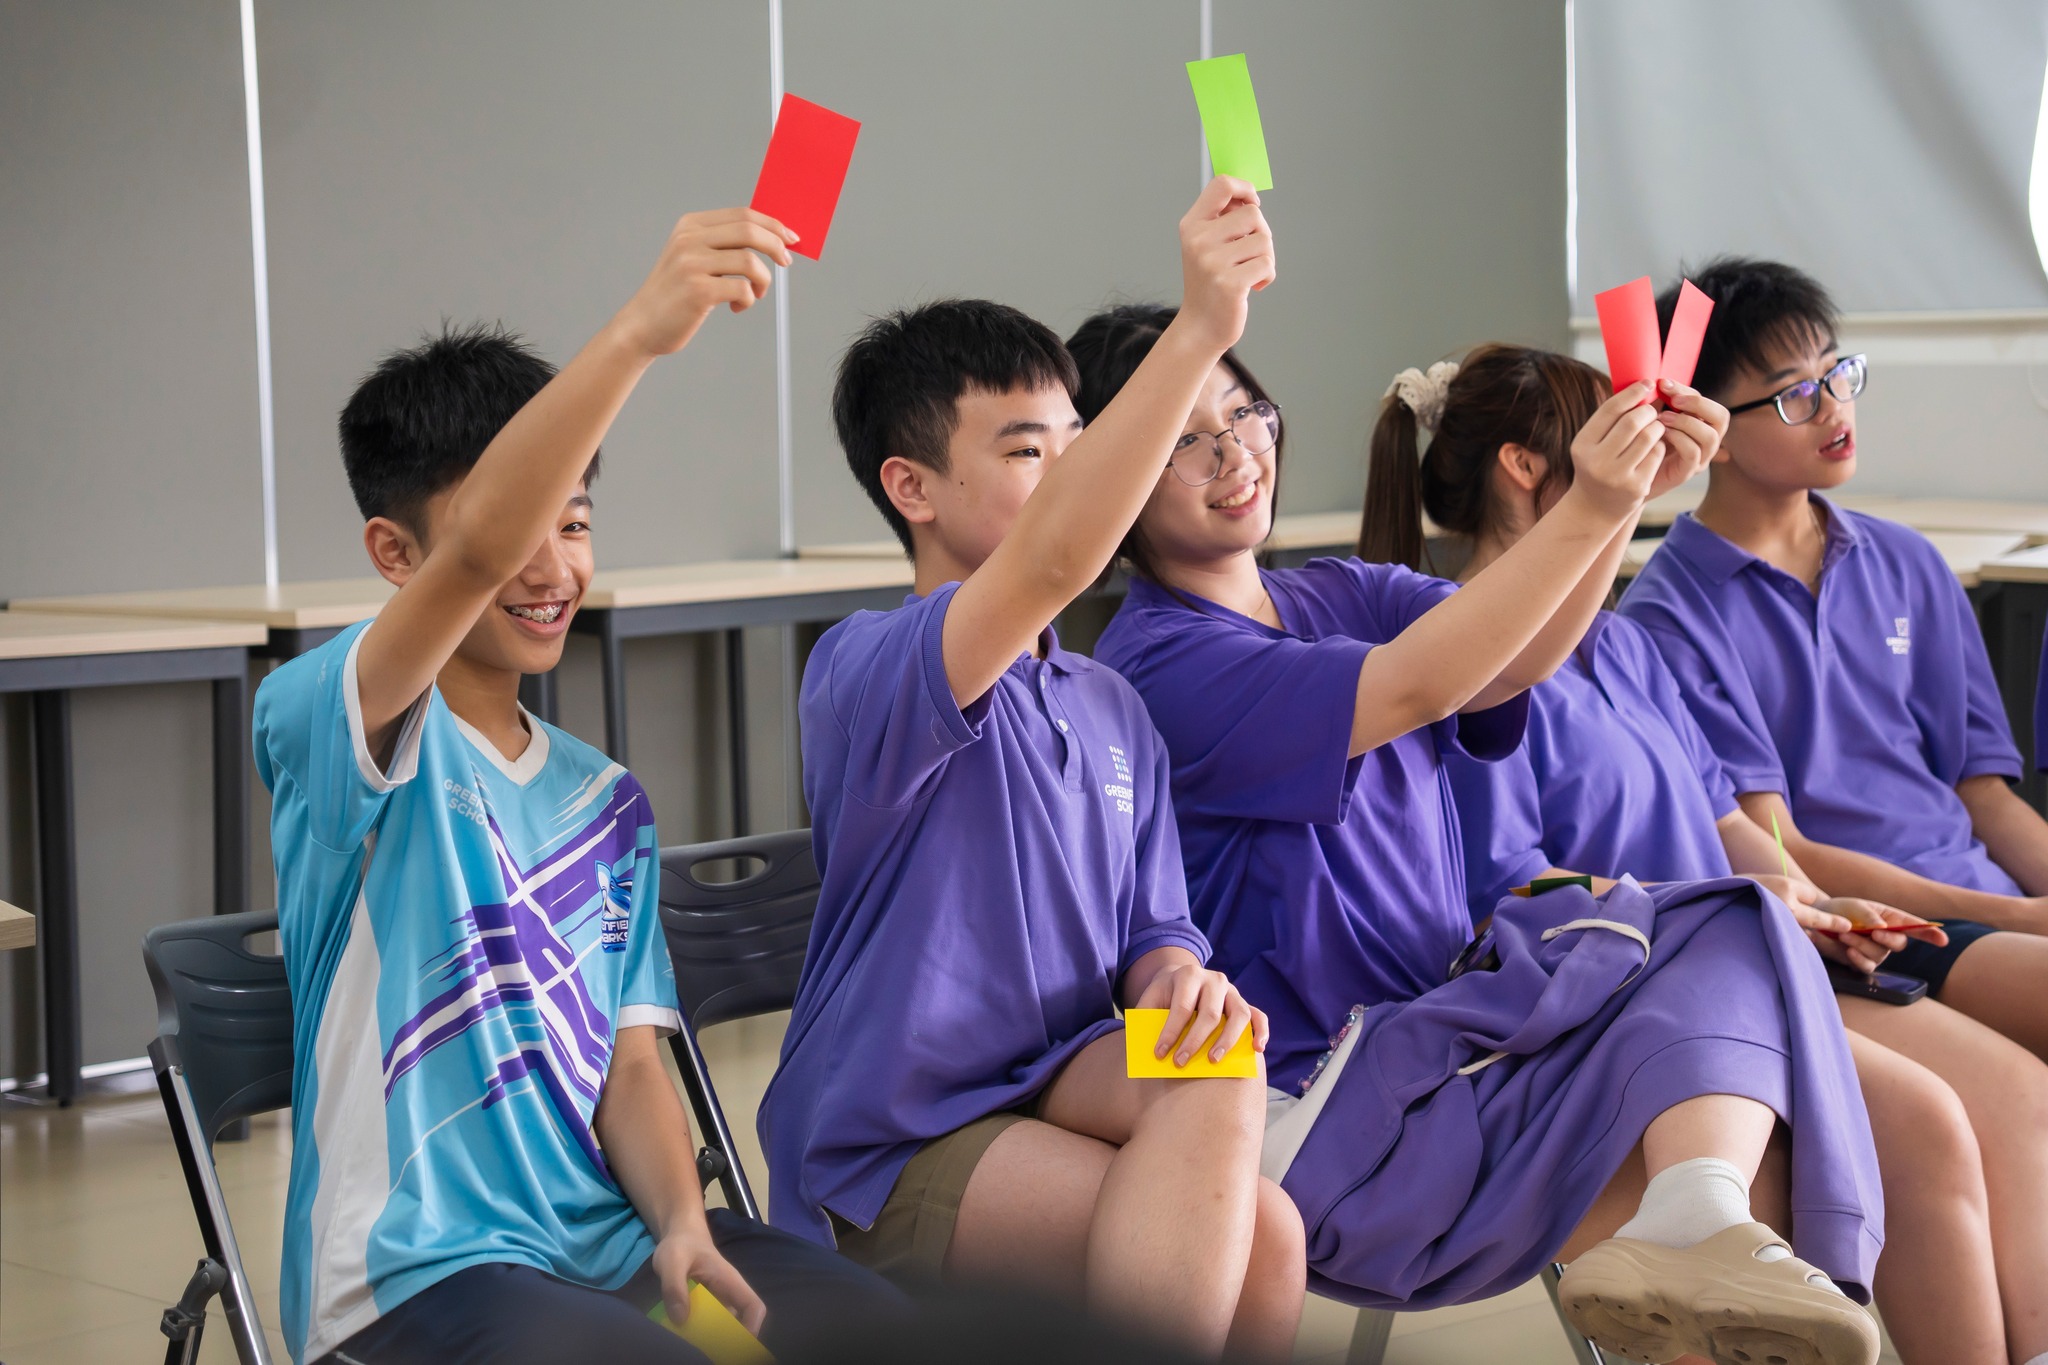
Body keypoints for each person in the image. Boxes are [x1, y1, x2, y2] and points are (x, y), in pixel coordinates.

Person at [1079, 304, 1883, 1365]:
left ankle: (1697, 1213)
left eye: (1244, 415)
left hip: (1449, 1033)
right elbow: (1419, 684)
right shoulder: (1154, 665)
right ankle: (1699, 1219)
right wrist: (1598, 501)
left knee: (1736, 919)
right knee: (1769, 1161)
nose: (1235, 457)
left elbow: (1511, 663)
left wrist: (1618, 503)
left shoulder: (1339, 590)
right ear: (1115, 477)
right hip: (1332, 1101)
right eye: (1186, 441)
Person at [256, 208, 888, 1364]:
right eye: (522, 528)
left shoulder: (605, 800)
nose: (551, 568)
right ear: (395, 554)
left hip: (605, 1251)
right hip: (412, 1280)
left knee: (880, 1333)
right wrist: (639, 333)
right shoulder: (332, 718)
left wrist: (685, 1222)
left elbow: (631, 1064)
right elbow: (473, 557)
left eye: (578, 522)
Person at [758, 179, 1304, 1363]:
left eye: (1076, 445)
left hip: (1055, 1079)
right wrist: (1200, 328)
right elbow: (1052, 561)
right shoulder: (870, 665)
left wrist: (1179, 981)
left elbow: (1155, 930)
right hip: (893, 1143)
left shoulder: (1108, 702)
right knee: (1253, 1243)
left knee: (1226, 1080)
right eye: (1025, 452)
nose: (1067, 476)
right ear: (911, 488)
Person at [1421, 345, 2048, 1365]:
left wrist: (1808, 899)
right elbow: (1515, 893)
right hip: (1640, 989)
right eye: (1612, 435)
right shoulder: (1459, 661)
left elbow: (1726, 824)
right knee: (1931, 1121)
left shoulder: (1622, 643)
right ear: (1524, 467)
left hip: (1755, 953)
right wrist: (1736, 911)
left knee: (2017, 1097)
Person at [1620, 258, 2048, 1062]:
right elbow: (1784, 850)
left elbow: (1985, 796)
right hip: (1872, 926)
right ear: (1710, 430)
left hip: (1989, 905)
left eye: (1837, 373)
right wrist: (2017, 917)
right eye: (1795, 393)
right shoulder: (1668, 619)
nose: (1833, 407)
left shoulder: (1908, 561)